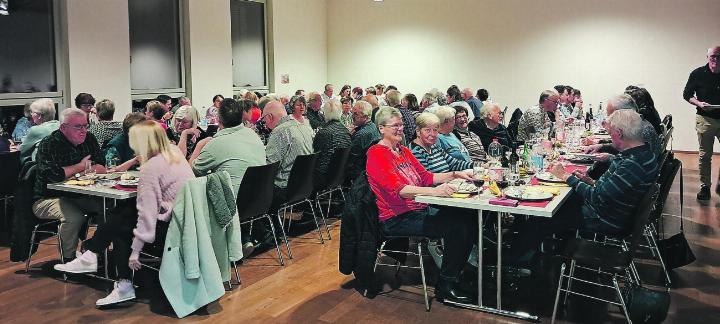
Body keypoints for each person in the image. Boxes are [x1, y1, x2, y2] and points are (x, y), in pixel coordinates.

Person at [55, 120, 194, 306]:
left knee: (122, 224)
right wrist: (131, 162)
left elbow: (147, 217)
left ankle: (116, 277)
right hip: (187, 221)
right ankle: (96, 259)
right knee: (125, 211)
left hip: (171, 228)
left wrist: (135, 251)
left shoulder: (151, 168)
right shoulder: (174, 153)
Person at [508, 109, 660, 263]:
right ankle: (544, 248)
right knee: (560, 201)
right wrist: (590, 181)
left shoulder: (632, 163)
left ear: (619, 133)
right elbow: (611, 189)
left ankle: (513, 260)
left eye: (611, 133)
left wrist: (566, 176)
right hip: (614, 211)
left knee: (541, 216)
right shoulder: (645, 154)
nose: (609, 137)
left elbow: (597, 196)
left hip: (605, 218)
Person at [366, 107, 476, 304]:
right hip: (395, 219)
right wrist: (435, 192)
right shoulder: (376, 154)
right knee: (458, 227)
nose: (400, 129)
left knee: (468, 219)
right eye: (395, 125)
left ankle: (454, 274)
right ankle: (445, 285)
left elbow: (426, 177)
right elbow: (399, 189)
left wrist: (455, 174)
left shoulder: (403, 150)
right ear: (381, 128)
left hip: (415, 210)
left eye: (401, 125)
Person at [32, 108, 107, 261]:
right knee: (74, 217)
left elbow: (101, 166)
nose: (83, 131)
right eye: (78, 127)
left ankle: (93, 249)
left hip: (82, 195)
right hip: (48, 198)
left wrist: (73, 172)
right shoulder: (49, 144)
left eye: (85, 126)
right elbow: (53, 176)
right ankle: (69, 260)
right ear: (63, 128)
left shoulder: (90, 139)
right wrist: (81, 166)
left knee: (111, 210)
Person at [189, 98, 265, 195]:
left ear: (219, 120)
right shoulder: (253, 134)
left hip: (232, 202)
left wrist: (199, 146)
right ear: (241, 117)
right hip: (258, 197)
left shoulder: (215, 144)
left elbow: (192, 172)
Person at [683, 46, 720, 200]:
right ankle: (705, 186)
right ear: (707, 57)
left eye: (719, 56)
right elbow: (687, 95)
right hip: (705, 118)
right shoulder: (697, 74)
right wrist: (699, 103)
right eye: (713, 56)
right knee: (705, 155)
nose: (716, 60)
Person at [264, 100, 314, 208]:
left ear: (269, 117)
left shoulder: (279, 132)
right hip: (305, 185)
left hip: (285, 188)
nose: (265, 123)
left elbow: (269, 167)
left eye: (264, 119)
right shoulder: (304, 127)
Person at [313, 99, 352, 189]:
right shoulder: (346, 131)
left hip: (324, 176)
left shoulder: (324, 132)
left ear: (325, 113)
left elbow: (316, 153)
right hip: (341, 174)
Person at [347, 100, 381, 181]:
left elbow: (350, 157)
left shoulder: (361, 134)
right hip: (369, 169)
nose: (352, 116)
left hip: (358, 171)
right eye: (352, 113)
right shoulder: (373, 126)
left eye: (356, 114)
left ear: (365, 116)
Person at [19, 98, 59, 164]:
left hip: (41, 168)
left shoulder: (36, 130)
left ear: (39, 115)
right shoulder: (61, 125)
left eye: (32, 112)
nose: (31, 114)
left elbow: (22, 151)